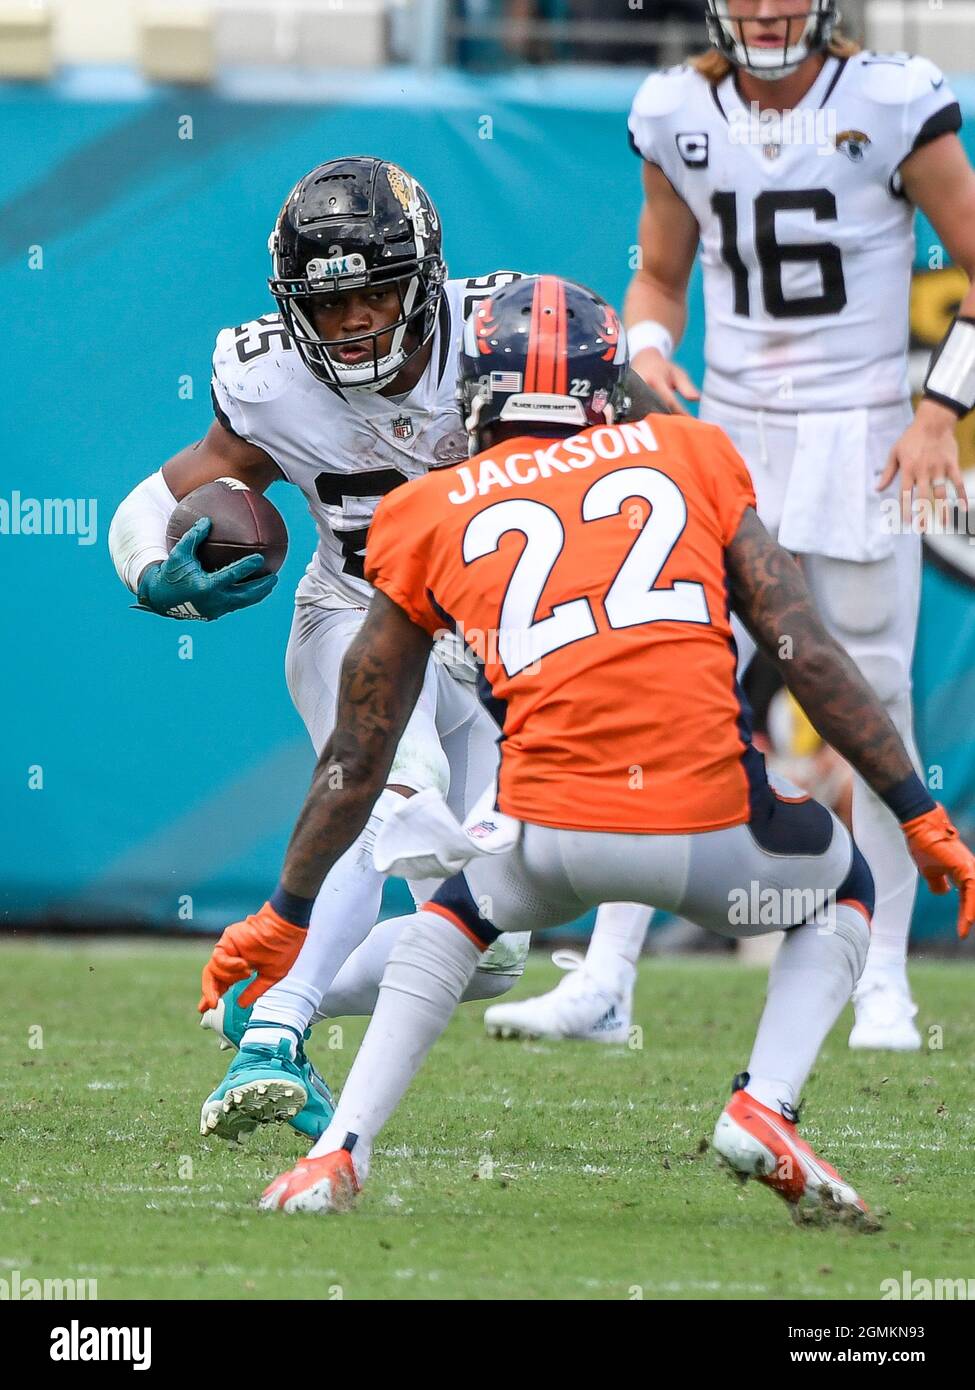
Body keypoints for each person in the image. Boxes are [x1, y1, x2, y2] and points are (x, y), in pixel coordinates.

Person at [229, 275, 974, 1219]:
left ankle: (340, 1154)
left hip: (551, 840)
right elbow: (809, 654)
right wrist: (916, 812)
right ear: (605, 387)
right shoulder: (691, 454)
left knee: (458, 915)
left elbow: (358, 753)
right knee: (844, 885)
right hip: (719, 841)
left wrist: (285, 911)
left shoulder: (422, 512)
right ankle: (763, 1103)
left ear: (478, 389)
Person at [509, 0, 975, 1051]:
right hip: (731, 429)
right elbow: (662, 276)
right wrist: (645, 344)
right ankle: (610, 974)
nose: (768, 8)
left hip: (859, 426)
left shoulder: (893, 97)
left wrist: (938, 411)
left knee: (878, 701)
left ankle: (887, 976)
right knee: (664, 679)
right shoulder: (678, 107)